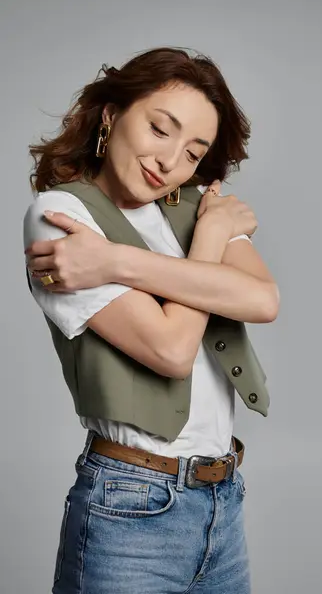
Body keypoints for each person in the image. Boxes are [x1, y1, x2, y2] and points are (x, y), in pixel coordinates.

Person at [23, 46, 280, 594]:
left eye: (193, 153)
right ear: (112, 114)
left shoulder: (191, 207)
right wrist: (210, 241)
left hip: (222, 500)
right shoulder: (60, 216)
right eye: (160, 129)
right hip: (130, 504)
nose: (170, 162)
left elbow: (262, 300)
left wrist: (117, 261)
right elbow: (170, 350)